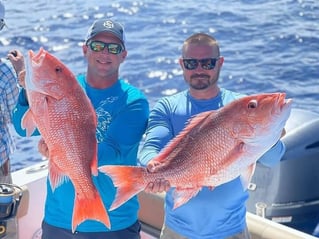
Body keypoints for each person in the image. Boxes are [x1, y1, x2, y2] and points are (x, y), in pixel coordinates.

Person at [11, 18, 149, 239]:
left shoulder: (134, 101)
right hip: (59, 219)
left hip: (114, 223)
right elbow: (21, 127)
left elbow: (114, 153)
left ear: (123, 55)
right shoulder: (67, 87)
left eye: (113, 48)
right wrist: (26, 87)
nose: (105, 53)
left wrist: (59, 149)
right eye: (97, 45)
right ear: (85, 49)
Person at [139, 33, 287, 239]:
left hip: (232, 231)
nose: (199, 69)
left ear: (220, 63)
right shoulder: (168, 107)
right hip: (177, 231)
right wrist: (152, 166)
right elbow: (150, 147)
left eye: (207, 63)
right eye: (191, 63)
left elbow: (272, 160)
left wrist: (269, 131)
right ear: (182, 64)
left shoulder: (239, 104)